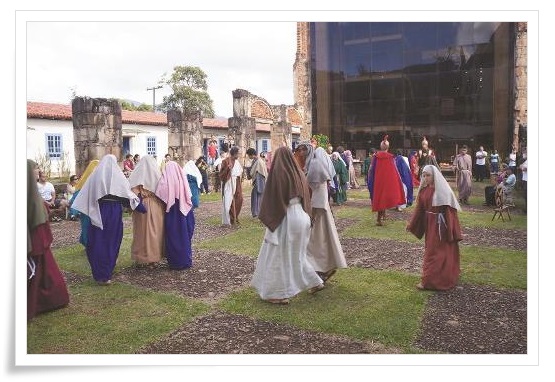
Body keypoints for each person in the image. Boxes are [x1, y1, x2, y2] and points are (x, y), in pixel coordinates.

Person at [250, 146, 325, 305]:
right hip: (302, 217)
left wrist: (270, 218)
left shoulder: (279, 172)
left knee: (278, 256)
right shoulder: (298, 172)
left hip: (288, 217)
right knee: (297, 255)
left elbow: (273, 198)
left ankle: (278, 293)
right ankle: (315, 281)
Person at [72, 154, 146, 285]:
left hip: (98, 212)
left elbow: (86, 194)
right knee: (111, 241)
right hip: (113, 213)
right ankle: (105, 273)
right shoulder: (118, 178)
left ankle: (100, 272)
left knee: (98, 240)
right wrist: (141, 208)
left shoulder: (95, 177)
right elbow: (127, 196)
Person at [294, 142, 347, 283]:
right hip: (318, 208)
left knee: (316, 242)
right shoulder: (312, 164)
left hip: (318, 210)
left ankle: (320, 271)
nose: (302, 152)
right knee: (321, 241)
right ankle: (321, 269)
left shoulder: (316, 166)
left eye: (304, 149)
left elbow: (317, 192)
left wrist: (312, 212)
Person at [406, 164, 462, 291]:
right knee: (431, 251)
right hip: (430, 225)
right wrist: (412, 224)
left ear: (434, 175)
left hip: (442, 227)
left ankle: (430, 281)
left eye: (428, 175)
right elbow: (419, 211)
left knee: (439, 252)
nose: (425, 178)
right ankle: (432, 278)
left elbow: (450, 212)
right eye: (423, 175)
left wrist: (452, 229)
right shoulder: (423, 191)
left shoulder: (443, 191)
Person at [27, 159, 70, 320]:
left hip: (39, 237)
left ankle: (47, 301)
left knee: (44, 271)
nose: (37, 172)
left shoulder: (31, 190)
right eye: (35, 169)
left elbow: (42, 206)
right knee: (34, 271)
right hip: (34, 237)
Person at [155, 160, 195, 270]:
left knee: (173, 235)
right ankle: (185, 260)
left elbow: (159, 192)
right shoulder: (181, 178)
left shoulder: (165, 180)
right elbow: (188, 194)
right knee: (184, 235)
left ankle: (174, 261)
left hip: (172, 211)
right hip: (184, 210)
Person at [128, 155, 165, 267]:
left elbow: (132, 192)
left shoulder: (137, 176)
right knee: (155, 232)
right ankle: (153, 258)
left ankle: (141, 258)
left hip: (142, 205)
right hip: (156, 205)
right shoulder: (158, 176)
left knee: (141, 232)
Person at [367, 135, 406, 226]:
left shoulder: (376, 157)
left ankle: (382, 216)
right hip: (387, 181)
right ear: (388, 147)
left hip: (378, 181)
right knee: (384, 198)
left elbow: (371, 170)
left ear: (381, 147)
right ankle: (379, 219)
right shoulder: (391, 157)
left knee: (380, 198)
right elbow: (394, 170)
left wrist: (370, 180)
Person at [69, 159, 99, 247]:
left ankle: (93, 243)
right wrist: (73, 212)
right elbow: (76, 197)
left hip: (96, 208)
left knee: (95, 227)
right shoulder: (84, 183)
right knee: (86, 226)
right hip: (86, 209)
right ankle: (88, 244)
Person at [219, 146, 243, 226]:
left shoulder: (237, 162)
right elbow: (221, 175)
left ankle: (234, 218)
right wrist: (227, 169)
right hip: (229, 184)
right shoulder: (226, 161)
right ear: (234, 153)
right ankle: (227, 221)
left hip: (237, 182)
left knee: (239, 200)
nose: (239, 155)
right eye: (238, 154)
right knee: (227, 202)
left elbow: (239, 172)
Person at [246, 148, 268, 217]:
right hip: (258, 180)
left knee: (257, 197)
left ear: (252, 154)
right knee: (256, 197)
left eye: (249, 155)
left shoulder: (259, 162)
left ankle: (257, 212)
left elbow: (259, 172)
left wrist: (258, 184)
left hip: (259, 181)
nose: (249, 157)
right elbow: (253, 169)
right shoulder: (256, 161)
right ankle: (257, 212)